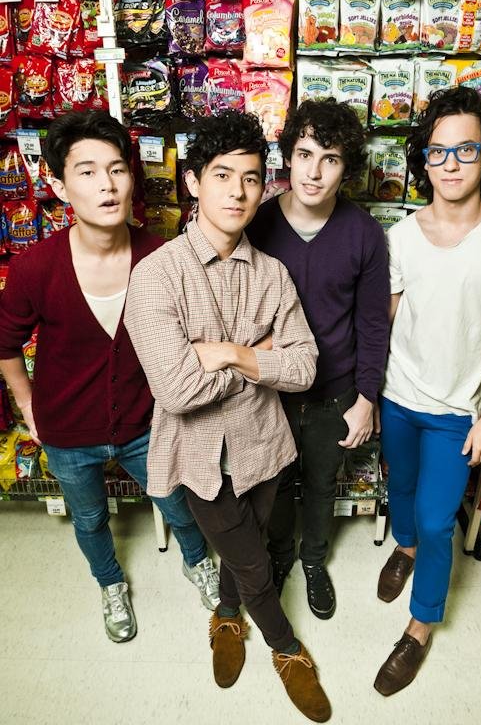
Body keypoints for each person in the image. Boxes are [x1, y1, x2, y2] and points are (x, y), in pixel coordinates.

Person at [124, 111, 331, 723]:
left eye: (250, 178)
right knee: (251, 562)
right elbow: (177, 390)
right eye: (221, 175)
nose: (238, 192)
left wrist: (228, 354)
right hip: (197, 453)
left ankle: (225, 615)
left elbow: (305, 367)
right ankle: (287, 649)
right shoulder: (155, 276)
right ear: (193, 182)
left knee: (256, 545)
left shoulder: (273, 274)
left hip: (265, 443)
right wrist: (261, 359)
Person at [0, 111, 220, 644]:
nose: (107, 184)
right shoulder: (35, 267)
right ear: (59, 186)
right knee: (90, 519)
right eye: (88, 171)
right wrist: (28, 405)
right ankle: (110, 584)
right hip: (68, 432)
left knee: (179, 505)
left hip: (148, 424)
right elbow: (4, 344)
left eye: (117, 169)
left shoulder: (160, 256)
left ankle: (199, 563)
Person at [374, 86, 481, 695]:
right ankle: (405, 549)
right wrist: (368, 392)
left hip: (457, 411)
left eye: (466, 150)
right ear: (424, 159)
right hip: (398, 395)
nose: (451, 164)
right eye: (437, 151)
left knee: (439, 521)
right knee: (402, 490)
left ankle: (420, 626)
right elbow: (385, 321)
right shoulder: (400, 236)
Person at [246, 98, 390, 619]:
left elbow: (373, 322)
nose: (313, 172)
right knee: (277, 481)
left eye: (330, 159)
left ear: (346, 168)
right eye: (304, 154)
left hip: (336, 391)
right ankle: (281, 554)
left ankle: (313, 560)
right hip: (273, 389)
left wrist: (366, 398)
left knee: (323, 483)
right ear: (287, 156)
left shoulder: (363, 232)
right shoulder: (258, 223)